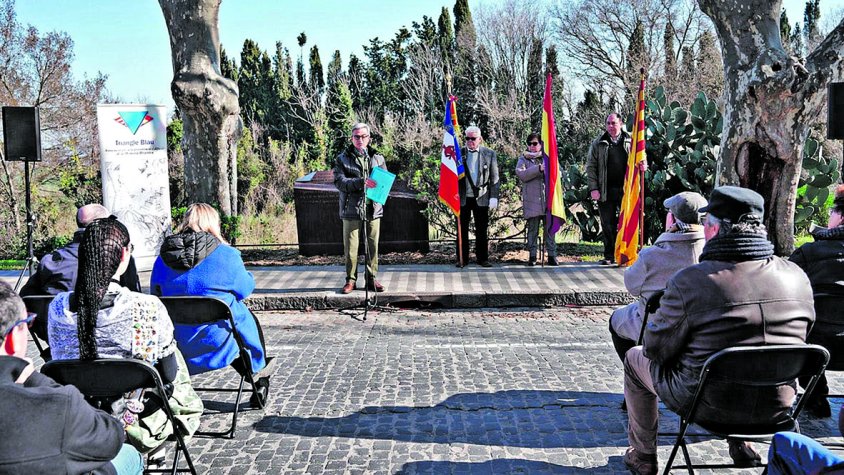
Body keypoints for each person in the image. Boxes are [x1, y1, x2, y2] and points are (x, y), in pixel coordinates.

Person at [621, 186, 815, 475]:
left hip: (708, 403)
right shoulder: (796, 276)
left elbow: (654, 348)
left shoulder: (692, 281)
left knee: (635, 358)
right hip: (779, 404)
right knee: (748, 353)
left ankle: (644, 456)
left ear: (712, 229)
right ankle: (740, 445)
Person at [48, 217, 202, 456]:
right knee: (173, 359)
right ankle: (155, 449)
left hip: (80, 420)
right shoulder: (147, 306)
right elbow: (169, 375)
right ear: (123, 255)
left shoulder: (58, 308)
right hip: (136, 421)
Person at [0, 280, 143, 474]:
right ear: (12, 339)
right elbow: (111, 437)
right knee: (130, 456)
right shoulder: (57, 406)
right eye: (26, 323)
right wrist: (34, 378)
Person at [150, 203, 272, 408]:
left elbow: (155, 295)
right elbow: (245, 289)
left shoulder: (162, 259)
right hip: (218, 338)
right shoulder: (227, 255)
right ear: (213, 223)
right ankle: (256, 374)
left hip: (177, 340)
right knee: (243, 323)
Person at [608, 191, 707, 362]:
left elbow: (631, 286)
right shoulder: (710, 251)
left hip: (657, 326)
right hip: (701, 327)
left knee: (616, 320)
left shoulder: (652, 255)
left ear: (673, 220)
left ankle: (635, 371)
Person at [20, 203, 142, 342]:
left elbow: (25, 299)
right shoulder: (120, 257)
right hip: (113, 339)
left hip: (59, 340)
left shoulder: (50, 261)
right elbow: (135, 298)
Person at [789, 184, 844, 418]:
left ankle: (816, 397)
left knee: (795, 326)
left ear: (841, 217)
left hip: (814, 349)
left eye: (832, 211)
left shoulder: (807, 254)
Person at [333, 123, 388, 294]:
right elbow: (339, 182)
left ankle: (372, 279)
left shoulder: (377, 157)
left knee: (372, 246)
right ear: (351, 138)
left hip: (373, 208)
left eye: (364, 136)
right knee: (351, 248)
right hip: (351, 210)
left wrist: (381, 188)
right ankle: (350, 280)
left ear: (369, 138)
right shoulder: (342, 159)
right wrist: (360, 182)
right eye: (356, 136)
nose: (360, 140)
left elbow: (384, 181)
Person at [586, 113, 631, 265]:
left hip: (626, 191)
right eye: (608, 123)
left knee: (626, 223)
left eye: (614, 123)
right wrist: (593, 188)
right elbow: (591, 167)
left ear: (621, 123)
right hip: (605, 190)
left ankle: (625, 255)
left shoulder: (632, 141)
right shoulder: (598, 143)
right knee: (607, 224)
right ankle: (609, 256)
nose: (611, 126)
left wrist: (645, 165)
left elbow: (641, 160)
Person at [457, 126, 500, 268]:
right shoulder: (459, 154)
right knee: (462, 228)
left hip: (481, 196)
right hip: (463, 197)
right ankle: (462, 258)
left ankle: (482, 258)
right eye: (467, 138)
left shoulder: (489, 154)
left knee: (481, 229)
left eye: (473, 138)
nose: (470, 141)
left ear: (480, 139)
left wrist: (494, 197)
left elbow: (494, 178)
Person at [515, 132, 558, 266]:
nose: (532, 146)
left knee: (549, 230)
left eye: (535, 143)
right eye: (530, 144)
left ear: (541, 145)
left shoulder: (548, 158)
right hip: (532, 201)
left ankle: (551, 256)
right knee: (532, 231)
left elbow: (558, 173)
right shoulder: (523, 159)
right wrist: (538, 168)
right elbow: (522, 174)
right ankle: (532, 256)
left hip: (547, 201)